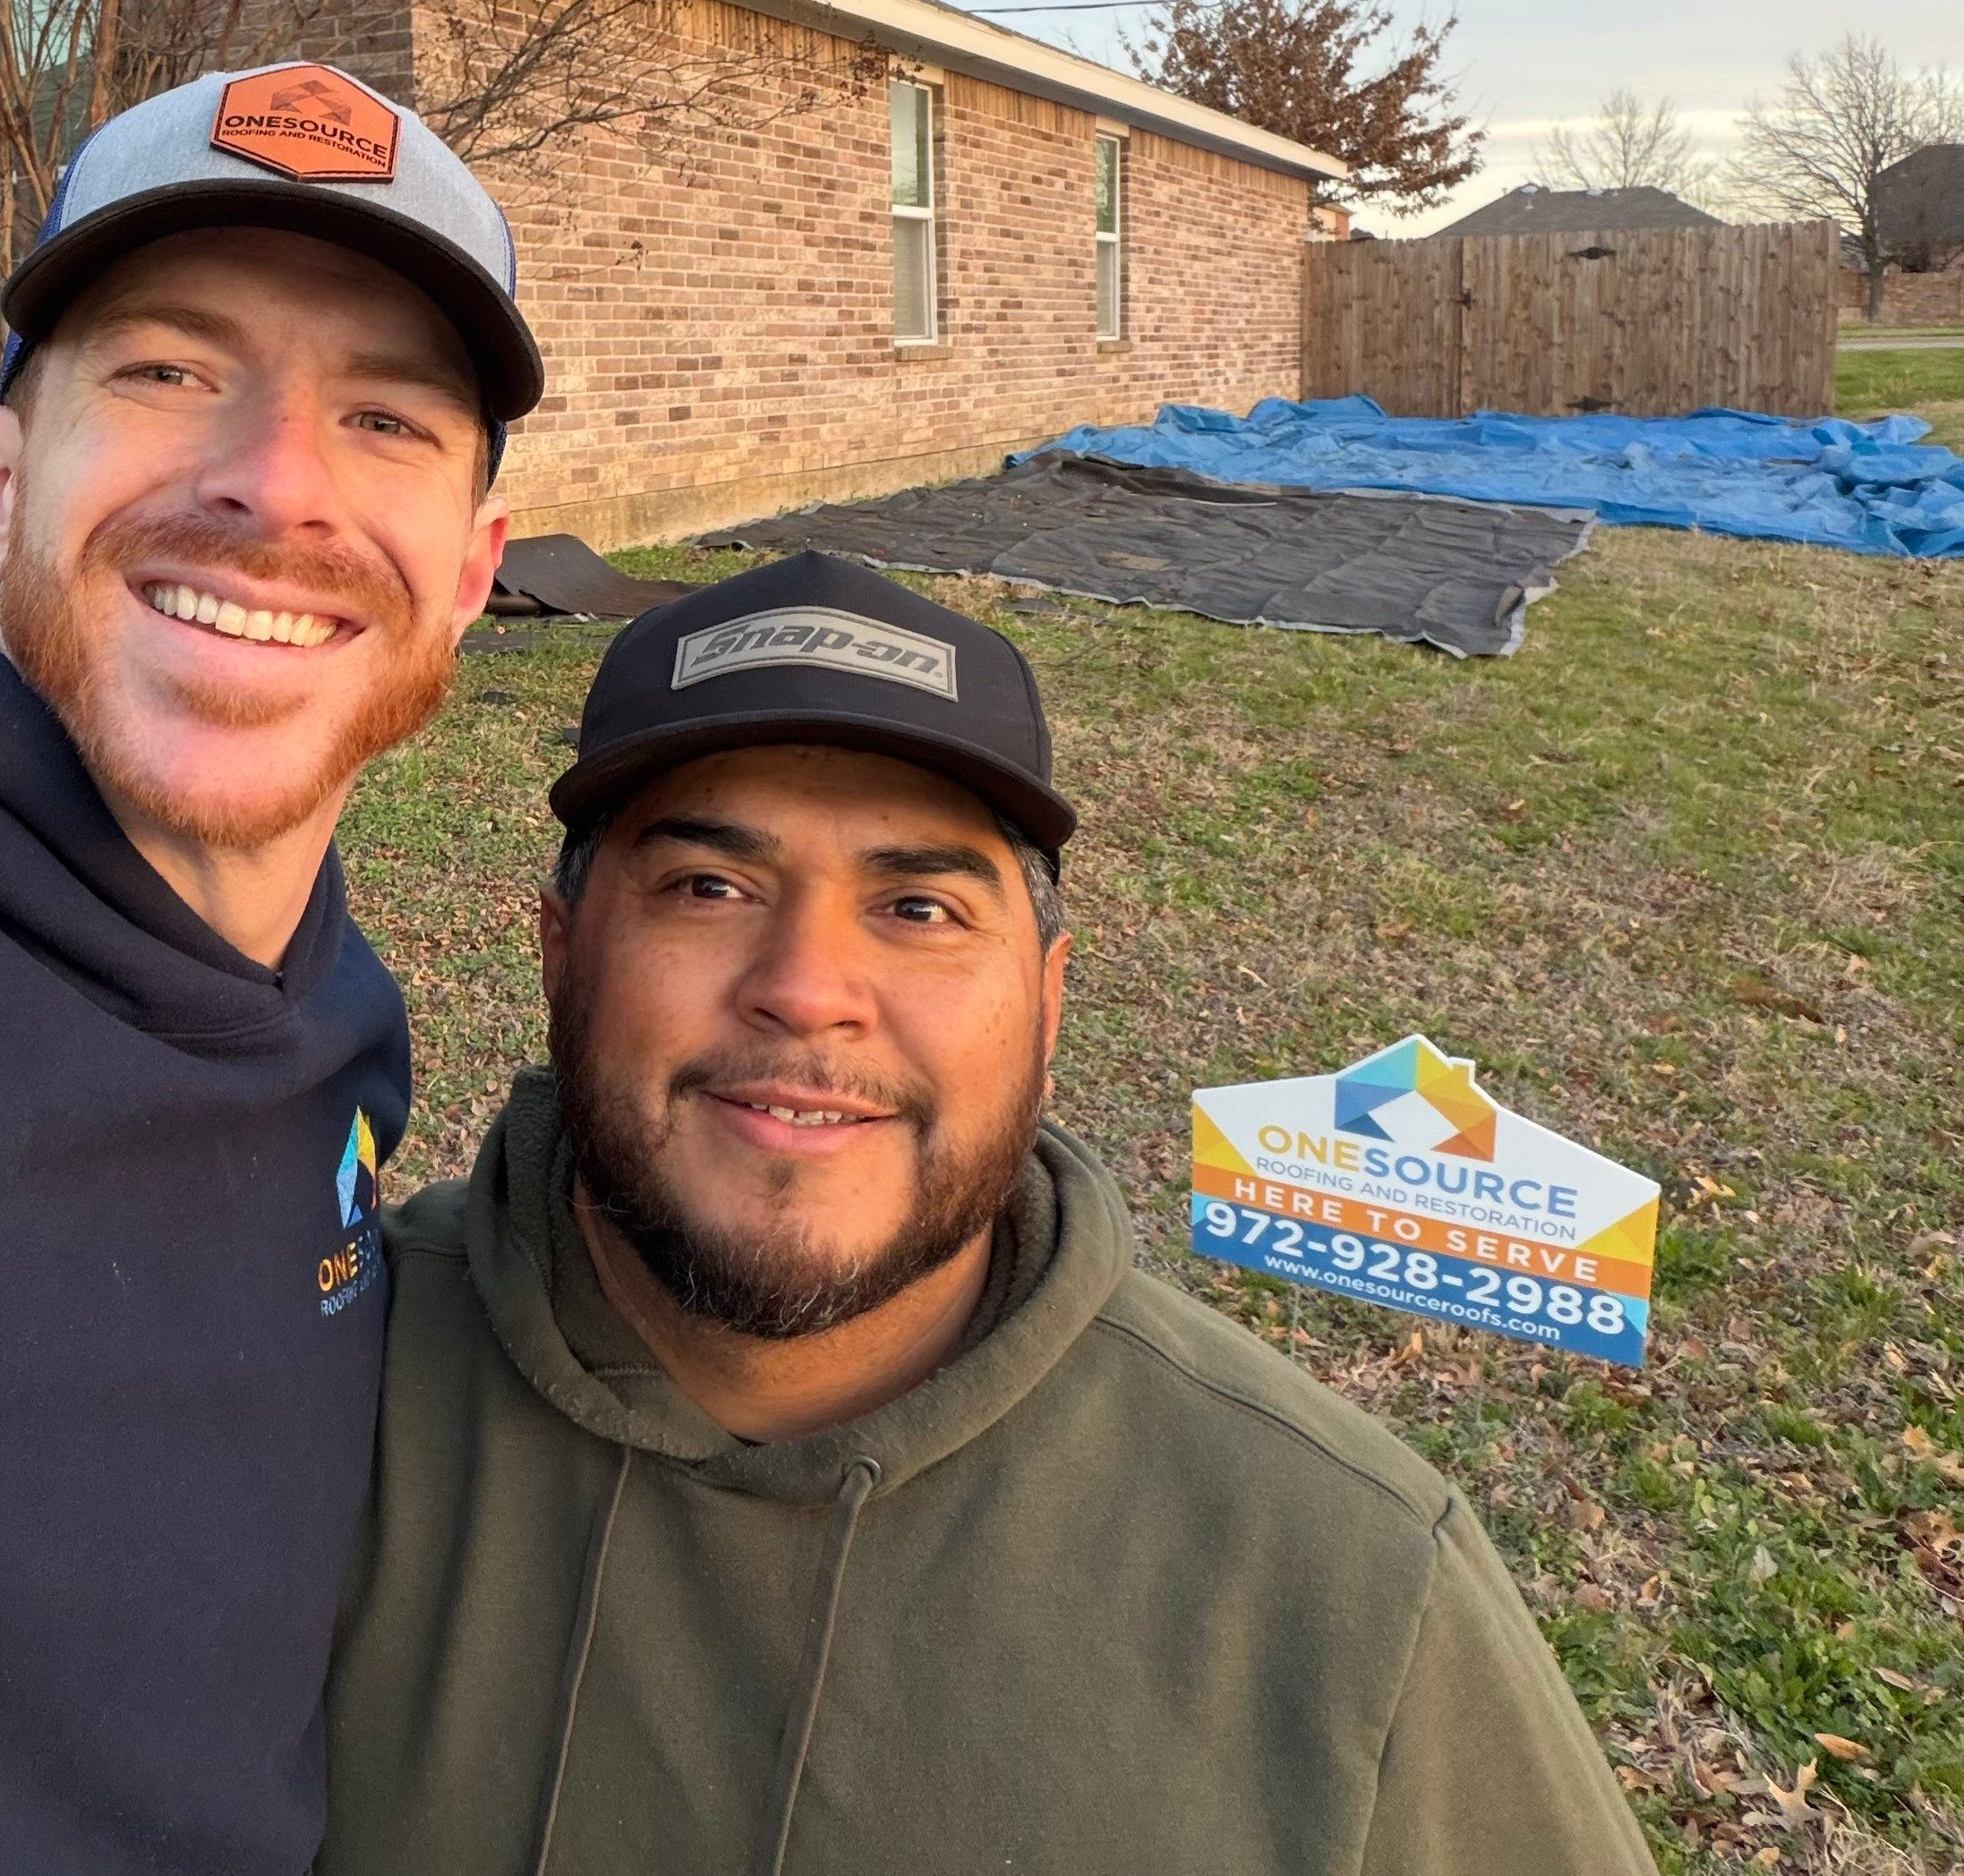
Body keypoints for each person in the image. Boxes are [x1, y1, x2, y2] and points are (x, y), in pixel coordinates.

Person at [318, 552, 1656, 1876]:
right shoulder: (301, 1401)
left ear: (1048, 999)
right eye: (708, 889)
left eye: (918, 907)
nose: (807, 988)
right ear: (559, 955)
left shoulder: (1350, 1595)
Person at [0, 60, 542, 1874]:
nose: (273, 488)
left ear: (469, 575)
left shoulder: (328, 1010)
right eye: (167, 372)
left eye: (387, 416)